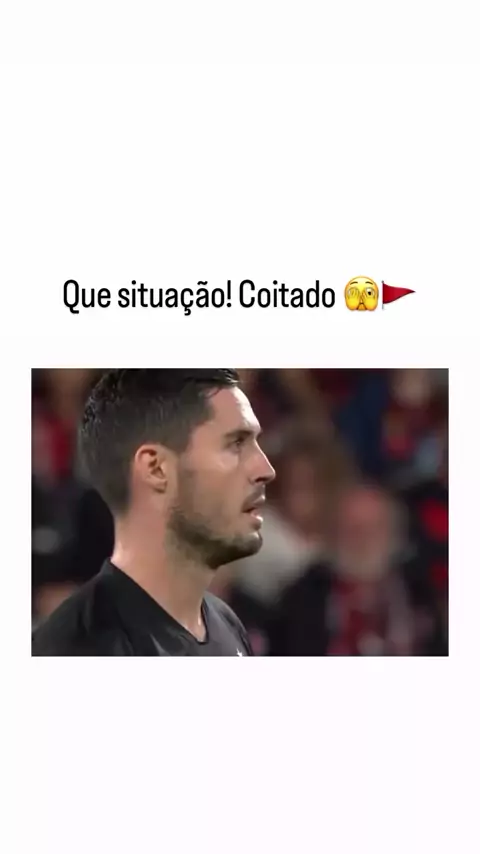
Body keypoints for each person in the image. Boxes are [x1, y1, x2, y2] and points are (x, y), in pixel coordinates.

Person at [32, 369, 276, 656]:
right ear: (156, 469)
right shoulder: (80, 648)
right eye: (236, 444)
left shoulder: (226, 624)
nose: (266, 470)